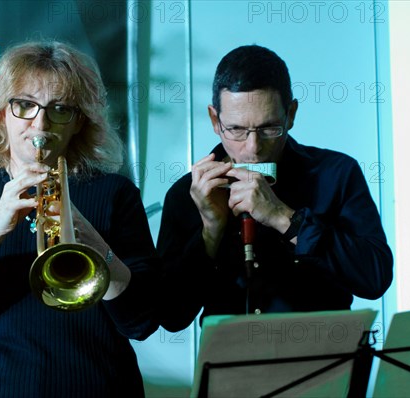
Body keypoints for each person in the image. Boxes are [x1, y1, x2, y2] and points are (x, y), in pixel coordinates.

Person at [0, 40, 160, 397]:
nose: (40, 124)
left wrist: (96, 245)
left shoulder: (115, 194)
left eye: (59, 109)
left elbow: (142, 320)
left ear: (78, 123)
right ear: (0, 114)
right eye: (25, 105)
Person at [157, 45, 393, 332]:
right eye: (236, 130)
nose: (253, 149)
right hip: (230, 367)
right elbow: (170, 316)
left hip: (326, 362)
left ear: (290, 114)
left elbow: (375, 279)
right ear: (215, 121)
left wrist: (284, 218)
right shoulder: (189, 193)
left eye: (269, 128)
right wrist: (210, 230)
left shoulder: (336, 173)